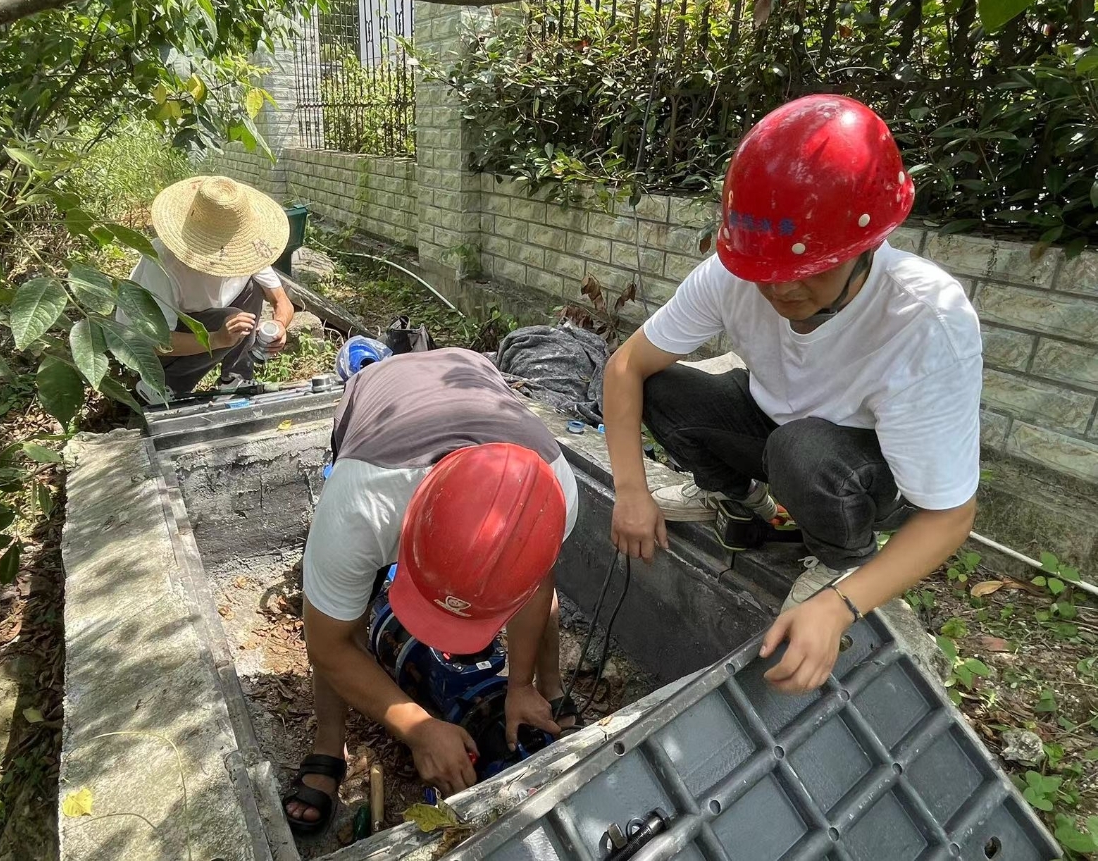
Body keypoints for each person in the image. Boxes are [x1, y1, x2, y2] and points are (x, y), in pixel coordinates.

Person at [603, 95, 982, 696]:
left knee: (803, 452)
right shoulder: (735, 274)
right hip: (776, 430)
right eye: (768, 272)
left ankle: (840, 557)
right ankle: (749, 500)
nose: (784, 290)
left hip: (864, 473)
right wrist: (630, 490)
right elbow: (625, 366)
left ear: (868, 246)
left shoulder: (923, 318)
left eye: (812, 270)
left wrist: (839, 606)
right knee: (663, 390)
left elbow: (952, 514)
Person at [285, 347, 581, 836]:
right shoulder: (362, 505)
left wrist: (520, 683)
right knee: (345, 610)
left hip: (471, 375)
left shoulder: (554, 494)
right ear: (409, 527)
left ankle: (543, 692)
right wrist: (417, 727)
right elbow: (328, 642)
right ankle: (327, 741)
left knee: (529, 590)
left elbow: (534, 586)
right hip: (381, 400)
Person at [116, 175, 295, 399]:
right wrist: (217, 339)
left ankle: (235, 377)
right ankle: (162, 386)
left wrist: (280, 325)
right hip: (145, 342)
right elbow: (153, 342)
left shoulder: (247, 252)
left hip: (197, 319)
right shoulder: (164, 263)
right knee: (231, 318)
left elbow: (281, 301)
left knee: (252, 289)